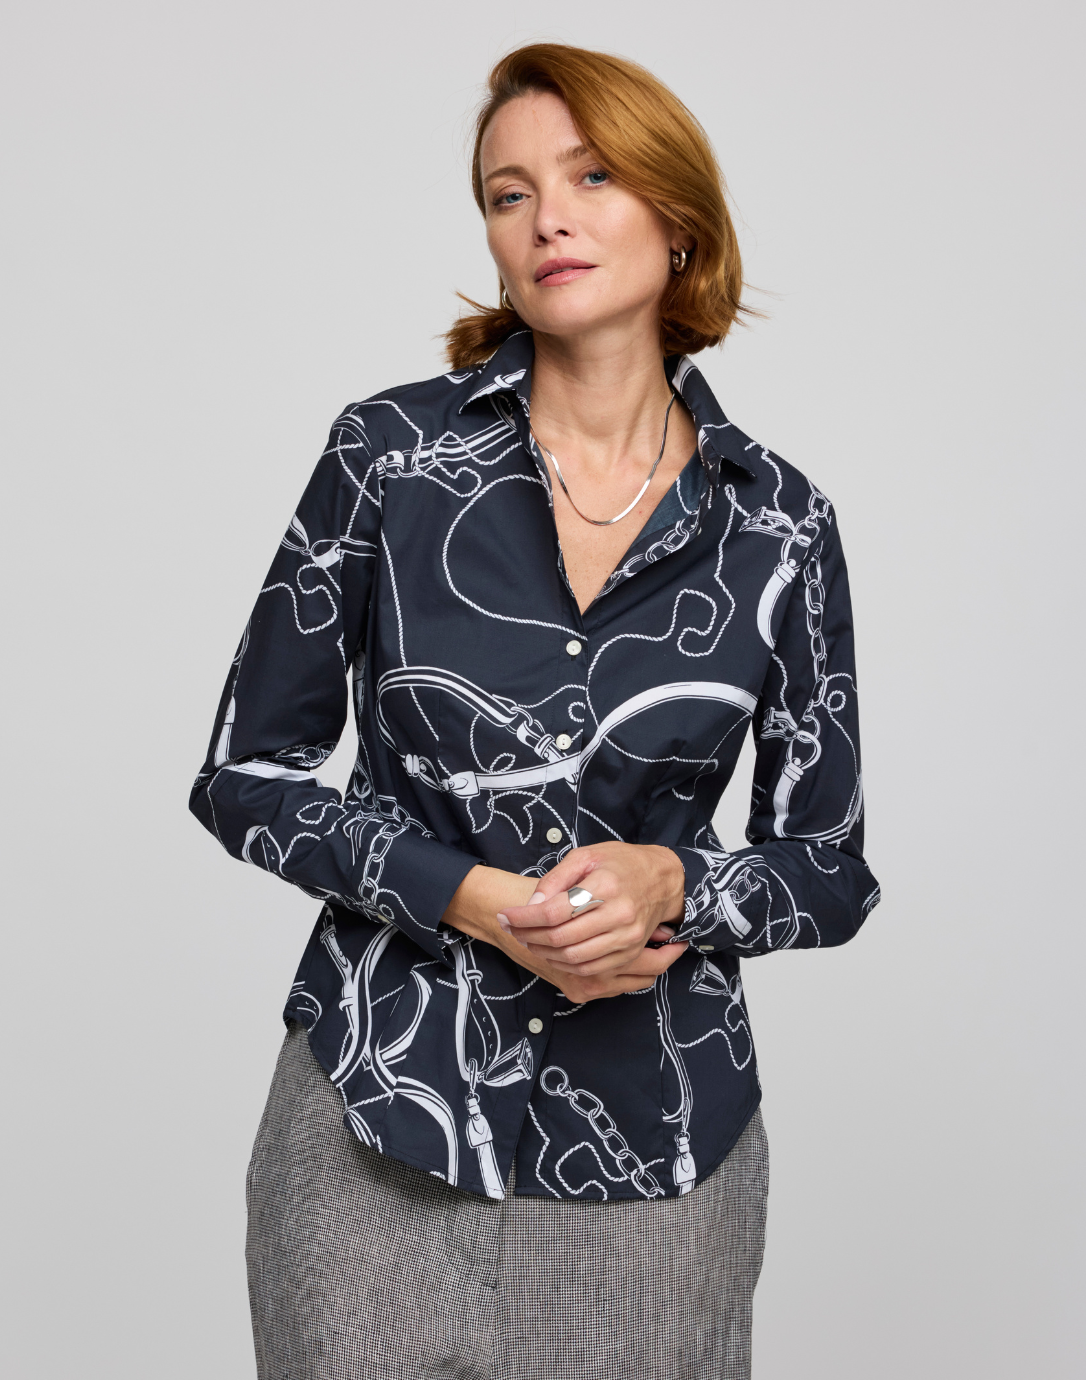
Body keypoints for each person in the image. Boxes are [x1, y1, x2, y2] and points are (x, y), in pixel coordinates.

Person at [190, 41, 880, 1380]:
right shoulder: (389, 458)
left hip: (657, 1158)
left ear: (678, 222)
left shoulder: (780, 524)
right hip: (373, 1122)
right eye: (509, 194)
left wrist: (674, 882)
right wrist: (467, 897)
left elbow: (830, 867)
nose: (548, 216)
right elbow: (245, 776)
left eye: (591, 176)